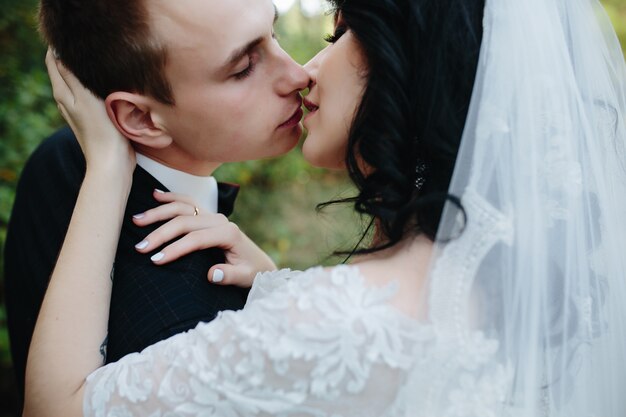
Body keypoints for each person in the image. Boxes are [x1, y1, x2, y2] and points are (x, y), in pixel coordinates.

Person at [25, 0, 626, 416]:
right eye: (243, 64)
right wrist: (278, 289)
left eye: (338, 34)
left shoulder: (342, 324)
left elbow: (57, 406)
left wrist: (108, 164)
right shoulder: (518, 294)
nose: (302, 70)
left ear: (402, 67)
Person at [4, 0, 308, 406]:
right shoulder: (196, 336)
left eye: (274, 34)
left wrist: (269, 281)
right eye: (243, 68)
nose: (298, 74)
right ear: (142, 119)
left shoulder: (58, 157)